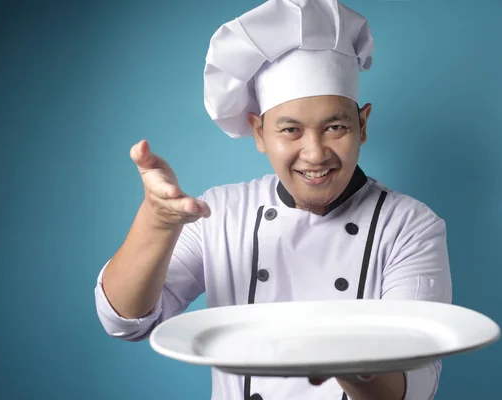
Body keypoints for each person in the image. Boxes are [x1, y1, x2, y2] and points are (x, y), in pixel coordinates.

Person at [94, 0, 453, 399]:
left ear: (362, 125)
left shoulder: (409, 226)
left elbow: (414, 386)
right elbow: (124, 320)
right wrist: (156, 223)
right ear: (260, 133)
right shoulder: (222, 214)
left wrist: (344, 361)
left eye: (335, 127)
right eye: (291, 131)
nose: (315, 153)